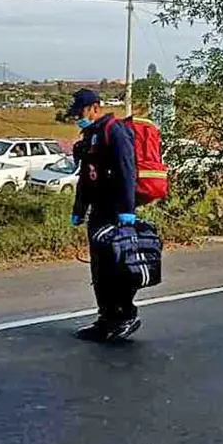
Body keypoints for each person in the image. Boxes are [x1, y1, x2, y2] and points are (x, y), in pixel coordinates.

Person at [67, 88, 141, 342]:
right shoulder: (91, 135)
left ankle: (125, 315)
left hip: (116, 211)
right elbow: (86, 179)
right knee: (99, 268)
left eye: (80, 112)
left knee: (117, 266)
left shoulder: (114, 130)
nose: (78, 117)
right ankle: (106, 318)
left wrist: (127, 210)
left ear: (95, 108)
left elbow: (127, 170)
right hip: (98, 211)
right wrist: (78, 210)